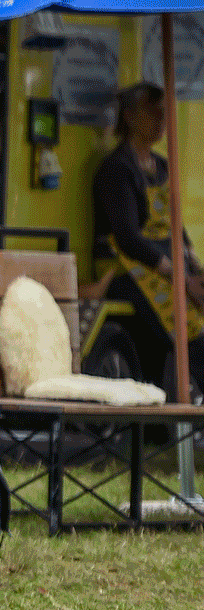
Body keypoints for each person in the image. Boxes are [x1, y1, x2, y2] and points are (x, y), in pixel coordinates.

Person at [93, 82, 204, 399]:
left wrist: (193, 267)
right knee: (191, 329)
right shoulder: (116, 169)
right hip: (124, 271)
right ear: (128, 116)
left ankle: (161, 430)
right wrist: (180, 279)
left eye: (164, 113)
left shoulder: (163, 166)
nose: (161, 119)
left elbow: (176, 227)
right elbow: (127, 238)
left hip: (168, 269)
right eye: (153, 112)